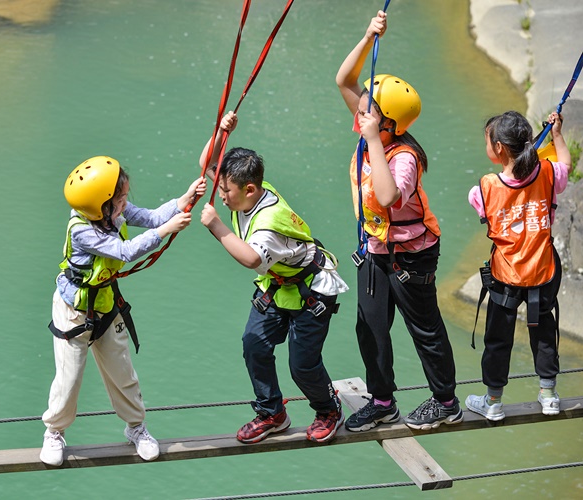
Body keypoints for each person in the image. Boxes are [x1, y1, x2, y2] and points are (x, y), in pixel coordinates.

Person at [335, 10, 463, 431]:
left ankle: (446, 401)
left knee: (423, 328)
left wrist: (371, 138)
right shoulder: (375, 126)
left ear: (388, 124)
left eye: (370, 112)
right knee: (369, 328)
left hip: (411, 257)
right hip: (375, 248)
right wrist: (368, 37)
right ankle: (383, 400)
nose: (361, 113)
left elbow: (388, 196)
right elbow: (344, 80)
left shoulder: (403, 157)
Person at [39, 155, 206, 466]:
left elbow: (153, 217)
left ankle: (136, 428)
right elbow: (124, 251)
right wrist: (168, 229)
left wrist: (183, 200)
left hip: (105, 304)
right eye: (122, 197)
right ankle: (54, 432)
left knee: (122, 372)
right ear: (103, 204)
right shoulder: (82, 230)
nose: (126, 203)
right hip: (74, 310)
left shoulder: (110, 210)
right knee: (69, 378)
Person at [199, 111, 350, 444]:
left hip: (312, 291)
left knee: (303, 365)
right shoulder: (248, 189)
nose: (220, 195)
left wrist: (215, 226)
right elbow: (206, 162)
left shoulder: (268, 224)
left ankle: (328, 409)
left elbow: (251, 259)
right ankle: (272, 412)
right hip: (280, 285)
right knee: (254, 344)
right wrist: (221, 132)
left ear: (250, 189)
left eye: (225, 190)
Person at [465, 111, 571, 421]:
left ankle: (493, 401)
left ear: (498, 148)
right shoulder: (549, 174)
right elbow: (565, 164)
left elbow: (488, 207)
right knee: (543, 332)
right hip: (542, 271)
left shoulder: (483, 189)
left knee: (498, 337)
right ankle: (549, 395)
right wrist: (557, 135)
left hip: (506, 276)